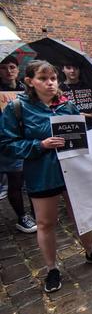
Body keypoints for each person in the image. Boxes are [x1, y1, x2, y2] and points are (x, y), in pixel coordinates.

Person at [0, 60, 92, 293]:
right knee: (45, 222)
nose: (50, 83)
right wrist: (40, 145)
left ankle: (91, 252)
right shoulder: (17, 108)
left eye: (52, 78)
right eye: (43, 79)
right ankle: (52, 268)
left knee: (82, 215)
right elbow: (7, 143)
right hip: (42, 175)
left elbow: (81, 137)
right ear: (30, 81)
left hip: (72, 172)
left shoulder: (67, 106)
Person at [0, 56, 37, 233]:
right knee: (15, 180)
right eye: (3, 68)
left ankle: (36, 211)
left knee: (31, 178)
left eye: (12, 67)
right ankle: (22, 216)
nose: (8, 71)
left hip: (26, 138)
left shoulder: (25, 90)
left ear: (17, 69)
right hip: (7, 141)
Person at [60, 62, 92, 129]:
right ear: (63, 69)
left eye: (75, 68)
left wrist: (86, 115)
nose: (72, 71)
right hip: (68, 128)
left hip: (91, 128)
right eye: (68, 68)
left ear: (79, 69)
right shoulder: (58, 89)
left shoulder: (90, 87)